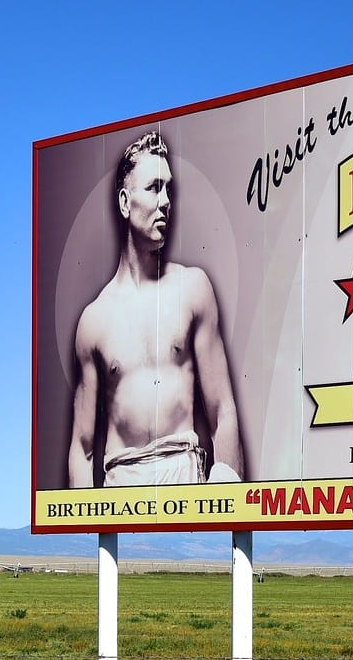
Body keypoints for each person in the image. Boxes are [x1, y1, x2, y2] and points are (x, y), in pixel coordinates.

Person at [67, 132, 243, 487]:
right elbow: (83, 446)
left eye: (169, 190)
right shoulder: (94, 320)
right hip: (121, 483)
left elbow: (222, 408)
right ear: (124, 201)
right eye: (154, 187)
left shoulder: (192, 288)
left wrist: (225, 503)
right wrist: (85, 527)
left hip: (184, 474)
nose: (165, 201)